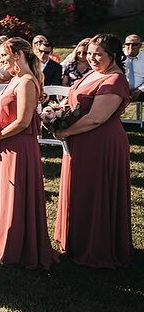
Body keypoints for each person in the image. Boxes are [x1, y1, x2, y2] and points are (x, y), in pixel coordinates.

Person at [52, 33, 133, 268]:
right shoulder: (94, 73)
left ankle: (96, 246)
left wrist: (65, 132)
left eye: (99, 54)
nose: (92, 58)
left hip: (101, 143)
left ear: (114, 55)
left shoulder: (115, 80)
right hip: (81, 140)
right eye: (90, 53)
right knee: (80, 189)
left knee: (94, 190)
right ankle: (76, 241)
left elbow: (97, 118)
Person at [0, 38, 57, 269]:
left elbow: (24, 121)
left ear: (17, 54)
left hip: (20, 147)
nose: (2, 60)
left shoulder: (26, 82)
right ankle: (7, 242)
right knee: (9, 194)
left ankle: (19, 247)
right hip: (8, 144)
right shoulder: (15, 79)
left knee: (18, 195)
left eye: (5, 55)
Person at [122, 34, 144, 100]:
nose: (130, 47)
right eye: (127, 44)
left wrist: (140, 90)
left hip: (140, 91)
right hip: (119, 90)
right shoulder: (117, 56)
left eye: (134, 44)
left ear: (140, 45)